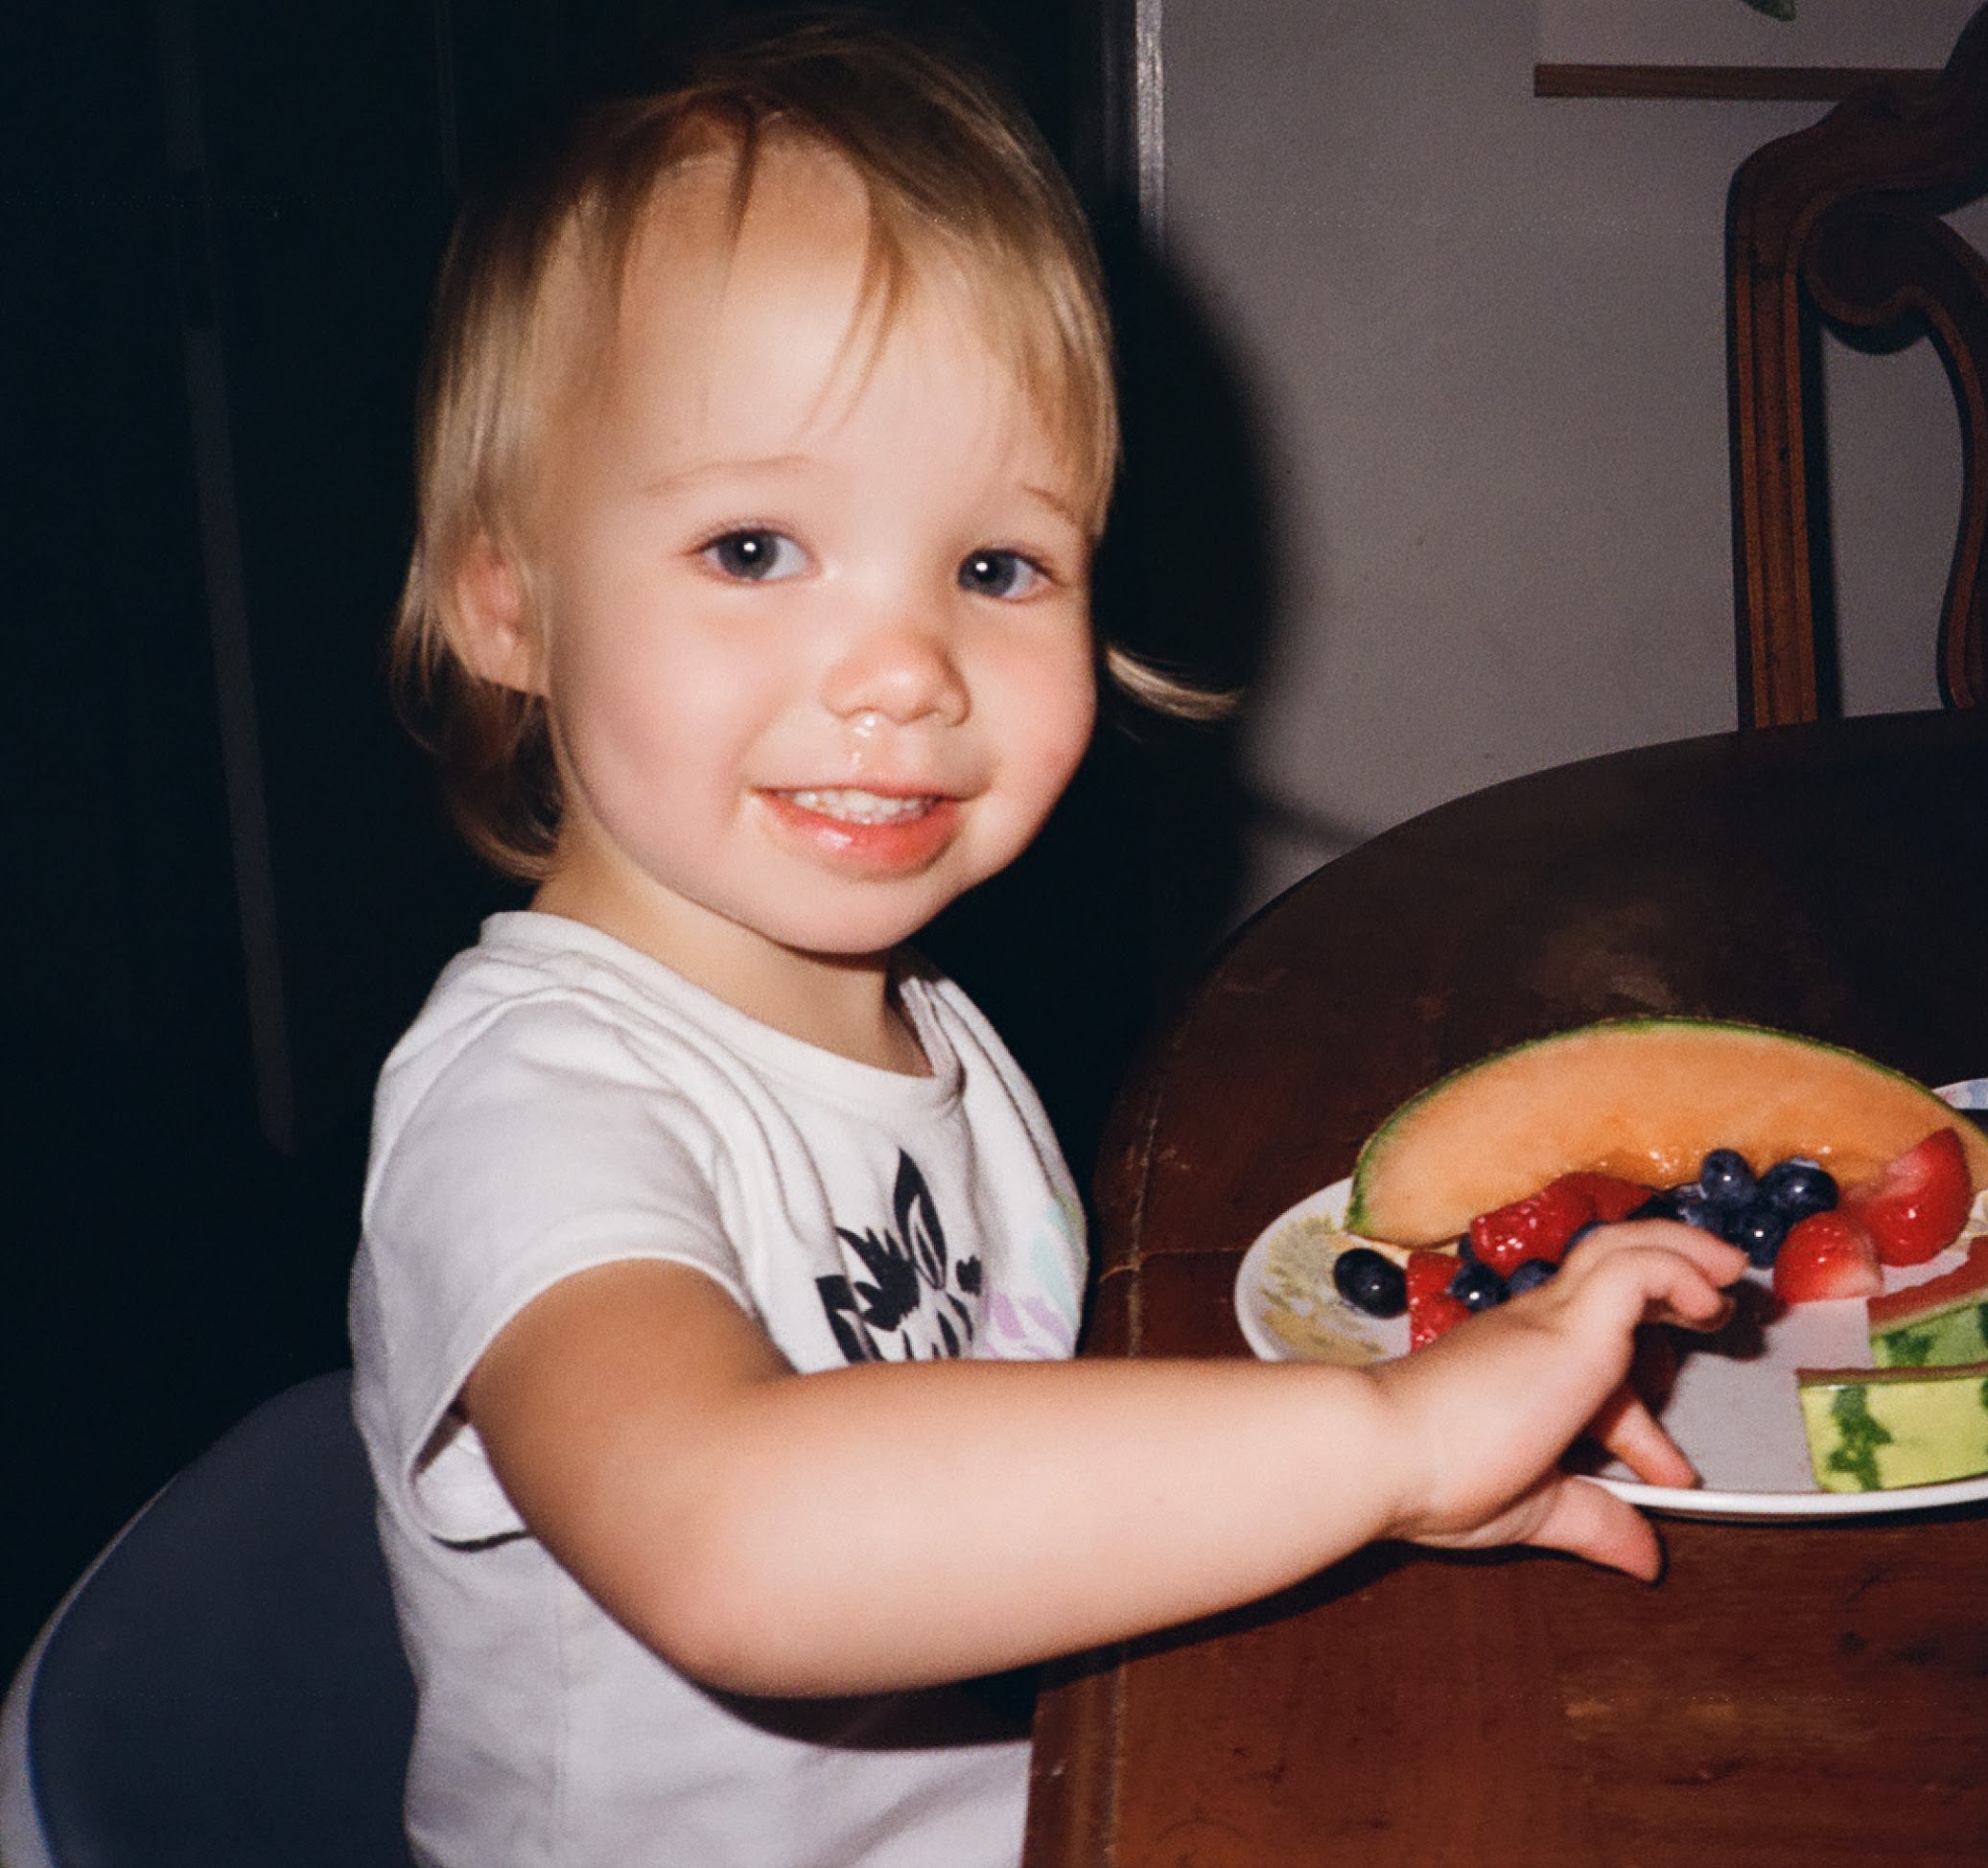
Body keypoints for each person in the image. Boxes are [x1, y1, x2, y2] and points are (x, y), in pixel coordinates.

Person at [348, 17, 1745, 1867]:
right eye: (755, 548)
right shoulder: (528, 1100)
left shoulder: (927, 1024)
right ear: (506, 606)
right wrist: (1392, 1444)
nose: (906, 670)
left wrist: (1369, 1482)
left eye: (996, 567)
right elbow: (733, 1546)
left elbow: (1020, 1469)